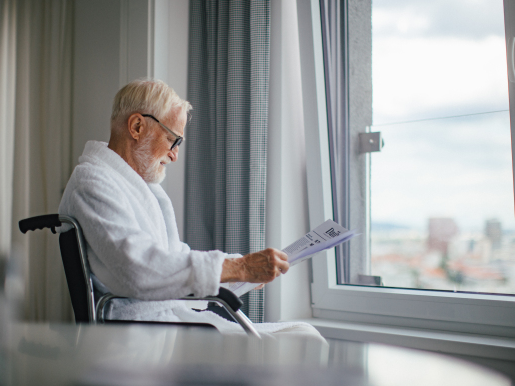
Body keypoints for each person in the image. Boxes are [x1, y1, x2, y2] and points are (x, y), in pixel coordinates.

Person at [59, 78, 323, 339]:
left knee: (303, 333)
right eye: (172, 140)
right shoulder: (92, 184)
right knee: (303, 340)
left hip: (167, 321)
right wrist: (239, 267)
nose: (174, 154)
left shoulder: (144, 189)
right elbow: (140, 269)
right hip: (143, 332)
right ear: (137, 126)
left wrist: (239, 274)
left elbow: (171, 258)